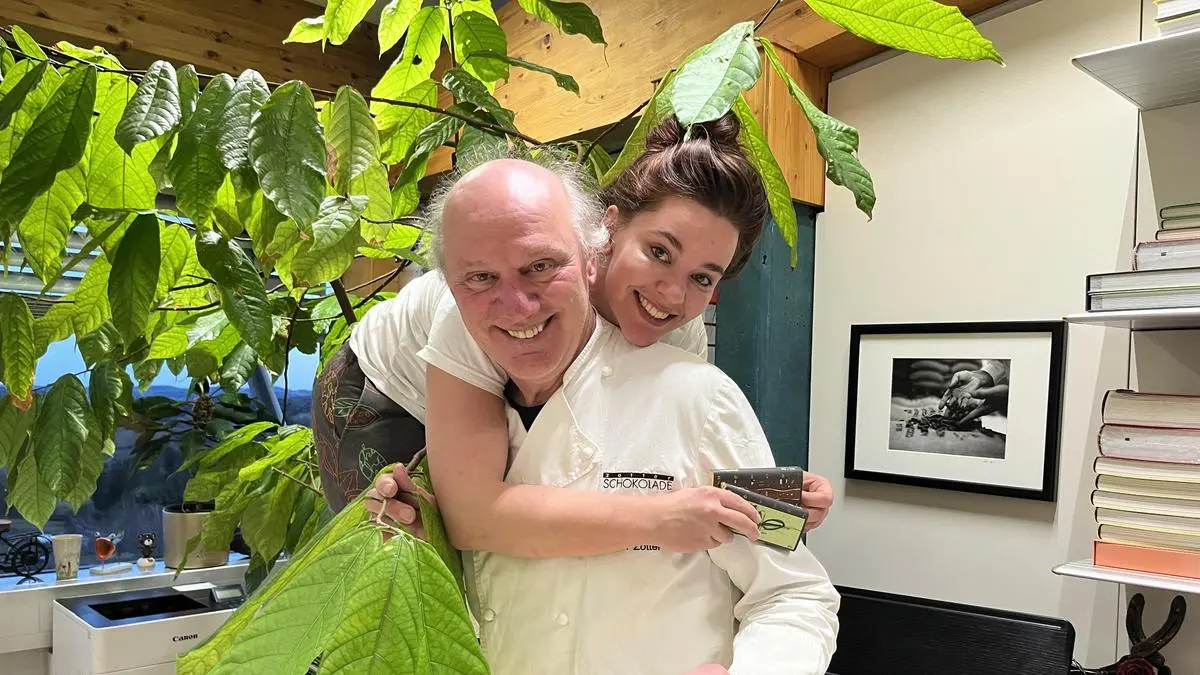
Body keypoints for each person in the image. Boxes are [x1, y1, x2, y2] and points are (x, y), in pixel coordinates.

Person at [316, 113, 835, 553]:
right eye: (659, 252)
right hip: (384, 391)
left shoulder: (683, 335)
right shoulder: (484, 310)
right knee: (411, 553)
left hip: (493, 407)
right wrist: (656, 521)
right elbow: (475, 518)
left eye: (702, 278)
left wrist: (780, 502)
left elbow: (673, 455)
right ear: (606, 231)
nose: (672, 294)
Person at [416, 154, 839, 674]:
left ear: (589, 255)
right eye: (480, 277)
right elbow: (471, 525)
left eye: (541, 266)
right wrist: (415, 526)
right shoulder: (459, 394)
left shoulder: (702, 392)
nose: (517, 305)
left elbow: (796, 591)